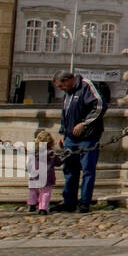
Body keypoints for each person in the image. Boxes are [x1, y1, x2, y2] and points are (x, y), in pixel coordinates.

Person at [53, 69, 108, 213]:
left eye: (61, 86)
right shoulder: (68, 93)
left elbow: (100, 105)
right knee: (70, 169)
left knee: (88, 170)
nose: (60, 89)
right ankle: (69, 201)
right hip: (71, 138)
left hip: (88, 137)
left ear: (68, 80)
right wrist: (63, 132)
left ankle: (84, 202)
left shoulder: (86, 86)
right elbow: (65, 113)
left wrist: (84, 123)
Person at [26, 129, 59, 215]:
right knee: (45, 192)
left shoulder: (33, 152)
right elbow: (58, 162)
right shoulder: (52, 153)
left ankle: (32, 205)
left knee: (33, 191)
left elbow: (28, 163)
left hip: (34, 175)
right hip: (47, 176)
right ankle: (42, 208)